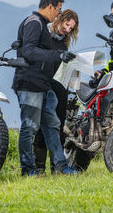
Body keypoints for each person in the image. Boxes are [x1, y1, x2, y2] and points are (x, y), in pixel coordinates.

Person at [12, 0, 78, 176]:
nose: (58, 14)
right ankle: (28, 169)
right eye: (58, 9)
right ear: (50, 6)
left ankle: (61, 166)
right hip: (29, 83)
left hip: (44, 86)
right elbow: (29, 51)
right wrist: (57, 55)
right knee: (30, 127)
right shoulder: (34, 22)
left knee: (52, 125)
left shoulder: (42, 25)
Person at [33, 9, 79, 174]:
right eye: (67, 25)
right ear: (59, 19)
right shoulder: (45, 37)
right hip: (45, 87)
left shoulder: (64, 43)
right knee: (41, 127)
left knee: (58, 126)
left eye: (71, 29)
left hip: (61, 89)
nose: (67, 30)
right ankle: (39, 168)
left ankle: (56, 168)